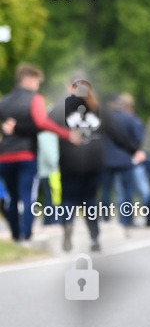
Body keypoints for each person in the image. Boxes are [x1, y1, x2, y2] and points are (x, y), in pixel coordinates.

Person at [0, 63, 80, 242]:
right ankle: (26, 235)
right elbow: (42, 122)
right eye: (37, 82)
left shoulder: (4, 101)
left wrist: (13, 129)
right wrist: (67, 134)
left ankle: (15, 235)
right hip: (26, 155)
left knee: (12, 198)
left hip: (5, 156)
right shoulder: (35, 99)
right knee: (28, 196)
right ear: (28, 80)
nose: (38, 86)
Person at [51, 77, 106, 251]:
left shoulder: (61, 106)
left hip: (69, 160)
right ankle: (94, 238)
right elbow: (112, 129)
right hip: (93, 161)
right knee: (90, 200)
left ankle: (67, 226)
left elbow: (45, 122)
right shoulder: (96, 106)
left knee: (68, 199)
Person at [100, 93, 145, 230]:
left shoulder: (102, 120)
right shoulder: (129, 119)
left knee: (106, 191)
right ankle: (126, 220)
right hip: (125, 160)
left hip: (106, 160)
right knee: (127, 190)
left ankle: (105, 220)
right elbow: (138, 139)